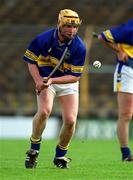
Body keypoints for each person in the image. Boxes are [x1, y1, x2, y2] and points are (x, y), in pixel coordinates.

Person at [23, 9, 86, 169]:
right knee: (44, 111)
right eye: (68, 26)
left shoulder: (79, 46)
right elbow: (31, 61)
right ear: (59, 24)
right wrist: (38, 81)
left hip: (65, 82)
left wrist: (52, 80)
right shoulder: (43, 39)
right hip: (44, 78)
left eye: (75, 27)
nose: (72, 30)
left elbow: (75, 76)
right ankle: (34, 150)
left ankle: (60, 156)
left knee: (71, 120)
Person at [98, 19, 133, 161]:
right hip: (127, 71)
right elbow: (102, 37)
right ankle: (126, 153)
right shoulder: (129, 29)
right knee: (126, 113)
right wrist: (119, 51)